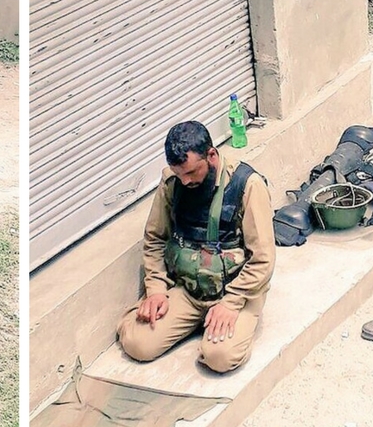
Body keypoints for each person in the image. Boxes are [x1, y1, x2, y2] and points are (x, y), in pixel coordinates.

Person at [116, 121, 275, 373]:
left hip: (233, 291)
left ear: (211, 155)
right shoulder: (173, 182)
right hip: (188, 289)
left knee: (220, 357)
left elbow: (263, 259)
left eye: (191, 173)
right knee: (138, 344)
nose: (185, 180)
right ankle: (198, 323)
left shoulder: (247, 185)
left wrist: (231, 303)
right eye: (179, 174)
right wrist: (156, 289)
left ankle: (219, 329)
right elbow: (155, 238)